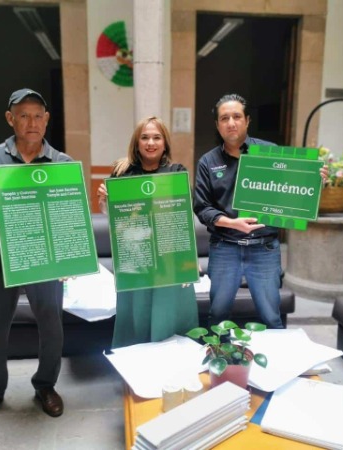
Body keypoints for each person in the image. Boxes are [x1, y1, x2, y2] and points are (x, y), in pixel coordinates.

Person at [0, 88, 71, 429]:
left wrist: (71, 258)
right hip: (1, 255)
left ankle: (46, 386)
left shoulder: (62, 163)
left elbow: (70, 214)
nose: (31, 122)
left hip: (45, 256)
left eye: (37, 116)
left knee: (51, 324)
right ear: (10, 119)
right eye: (23, 115)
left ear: (47, 120)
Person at [194, 93, 326, 329]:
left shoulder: (269, 153)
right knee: (217, 316)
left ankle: (274, 353)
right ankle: (219, 352)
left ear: (247, 120)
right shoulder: (208, 162)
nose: (231, 123)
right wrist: (232, 223)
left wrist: (314, 182)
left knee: (271, 317)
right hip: (225, 248)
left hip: (264, 248)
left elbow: (291, 193)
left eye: (236, 116)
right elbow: (202, 207)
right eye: (224, 118)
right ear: (217, 125)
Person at [97, 116, 199, 348]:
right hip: (136, 256)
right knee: (137, 317)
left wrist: (188, 263)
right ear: (137, 142)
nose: (150, 142)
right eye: (145, 137)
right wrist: (104, 201)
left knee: (168, 316)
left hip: (169, 257)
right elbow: (114, 218)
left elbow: (183, 219)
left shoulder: (176, 172)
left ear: (165, 143)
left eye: (156, 137)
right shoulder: (122, 173)